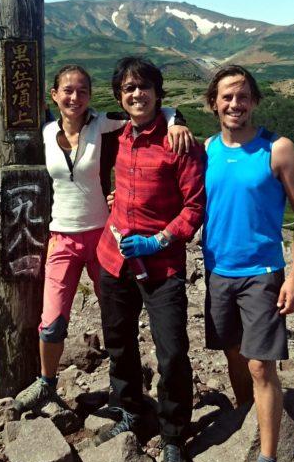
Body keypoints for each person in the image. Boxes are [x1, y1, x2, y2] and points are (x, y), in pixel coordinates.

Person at [13, 64, 193, 413]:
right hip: (61, 236)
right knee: (52, 320)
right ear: (54, 94)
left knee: (116, 321)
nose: (74, 97)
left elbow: (145, 112)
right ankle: (47, 383)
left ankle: (124, 396)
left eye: (82, 90)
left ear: (91, 96)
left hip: (103, 236)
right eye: (67, 90)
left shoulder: (103, 124)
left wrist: (176, 119)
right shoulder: (47, 132)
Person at [200, 65, 294, 462]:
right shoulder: (205, 149)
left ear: (254, 101)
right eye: (227, 96)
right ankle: (250, 418)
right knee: (232, 351)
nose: (235, 104)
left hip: (263, 272)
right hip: (217, 272)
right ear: (213, 103)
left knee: (261, 365)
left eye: (243, 96)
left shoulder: (277, 149)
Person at [94, 56, 206, 462]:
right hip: (113, 258)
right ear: (119, 98)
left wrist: (159, 240)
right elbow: (68, 120)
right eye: (127, 89)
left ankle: (174, 434)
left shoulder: (181, 143)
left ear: (158, 93)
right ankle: (131, 412)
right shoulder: (119, 136)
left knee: (172, 351)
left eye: (143, 87)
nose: (135, 95)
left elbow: (194, 207)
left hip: (160, 266)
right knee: (119, 341)